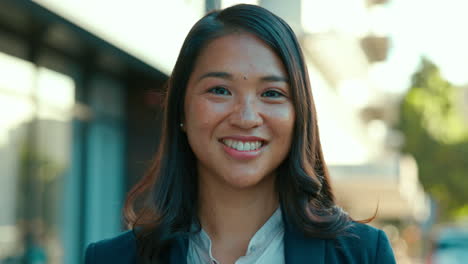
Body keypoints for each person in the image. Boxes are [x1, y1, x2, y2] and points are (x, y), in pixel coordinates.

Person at [85, 4, 396, 264]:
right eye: (220, 90)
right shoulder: (113, 258)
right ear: (181, 109)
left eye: (272, 93)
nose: (247, 118)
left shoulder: (363, 254)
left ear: (299, 114)